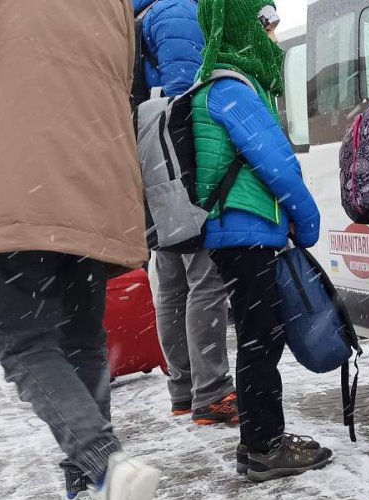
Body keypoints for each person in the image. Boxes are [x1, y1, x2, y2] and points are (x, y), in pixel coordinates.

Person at [0, 0, 159, 500]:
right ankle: (89, 490)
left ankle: (107, 464)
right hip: (96, 181)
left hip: (17, 175)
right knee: (82, 342)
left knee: (26, 345)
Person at [193, 0, 332, 481]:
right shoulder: (232, 89)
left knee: (258, 338)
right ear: (243, 28)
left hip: (236, 232)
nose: (273, 38)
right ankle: (263, 444)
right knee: (260, 341)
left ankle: (258, 440)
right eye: (265, 26)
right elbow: (278, 164)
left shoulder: (213, 86)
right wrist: (308, 223)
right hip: (246, 233)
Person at [136, 0, 239, 427]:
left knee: (173, 278)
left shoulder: (141, 12)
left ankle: (183, 389)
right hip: (175, 156)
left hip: (146, 149)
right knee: (205, 275)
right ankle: (212, 393)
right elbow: (186, 94)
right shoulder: (176, 8)